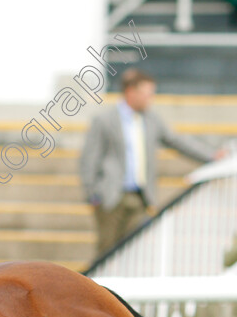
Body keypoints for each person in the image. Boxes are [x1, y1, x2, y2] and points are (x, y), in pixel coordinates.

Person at [80, 68, 225, 255]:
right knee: (106, 253)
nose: (151, 98)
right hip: (111, 198)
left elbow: (177, 141)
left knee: (134, 253)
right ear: (131, 92)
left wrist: (211, 156)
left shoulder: (152, 119)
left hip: (141, 198)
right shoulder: (104, 120)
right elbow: (89, 159)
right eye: (147, 93)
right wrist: (92, 194)